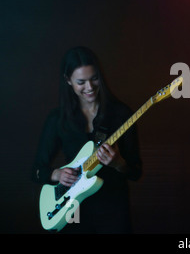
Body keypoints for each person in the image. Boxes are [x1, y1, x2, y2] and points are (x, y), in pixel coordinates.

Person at [32, 46, 142, 233]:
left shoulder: (121, 115)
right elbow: (36, 170)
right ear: (68, 81)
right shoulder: (58, 119)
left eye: (94, 78)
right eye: (81, 82)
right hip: (74, 211)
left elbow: (136, 172)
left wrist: (117, 163)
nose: (89, 87)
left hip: (113, 211)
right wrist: (56, 174)